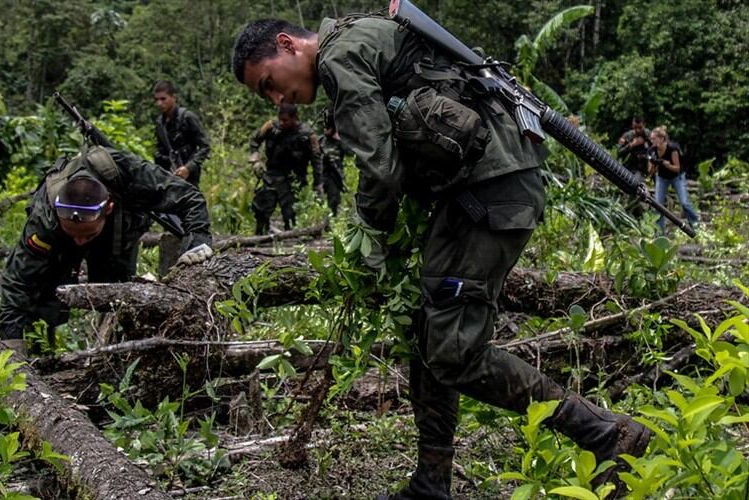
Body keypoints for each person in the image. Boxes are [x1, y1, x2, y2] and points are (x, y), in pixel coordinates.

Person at [233, 16, 650, 499]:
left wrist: (370, 229)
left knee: (454, 351)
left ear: (287, 44)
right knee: (427, 332)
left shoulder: (339, 56)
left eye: (269, 83)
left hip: (490, 192)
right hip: (478, 190)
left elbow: (380, 166)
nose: (277, 99)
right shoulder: (362, 36)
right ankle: (432, 482)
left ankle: (606, 433)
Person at [0, 145, 214, 352]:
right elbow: (17, 281)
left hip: (118, 233)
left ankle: (118, 348)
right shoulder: (44, 220)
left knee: (117, 290)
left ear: (108, 208)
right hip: (59, 241)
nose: (81, 241)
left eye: (87, 235)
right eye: (75, 234)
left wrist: (196, 243)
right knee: (45, 294)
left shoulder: (127, 172)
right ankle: (42, 350)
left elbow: (189, 198)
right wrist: (12, 345)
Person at [152, 80, 212, 274]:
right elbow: (159, 150)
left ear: (173, 98)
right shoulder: (160, 123)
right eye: (156, 100)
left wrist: (189, 167)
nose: (160, 103)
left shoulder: (187, 118)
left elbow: (204, 146)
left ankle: (193, 256)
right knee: (169, 218)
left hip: (189, 176)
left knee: (190, 214)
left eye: (163, 99)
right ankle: (172, 263)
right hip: (169, 175)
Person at [248, 103, 323, 234]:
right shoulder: (271, 127)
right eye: (280, 119)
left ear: (295, 118)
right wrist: (255, 159)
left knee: (290, 214)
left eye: (285, 120)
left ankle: (291, 241)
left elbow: (316, 161)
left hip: (294, 179)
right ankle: (261, 235)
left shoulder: (307, 135)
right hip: (272, 175)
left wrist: (318, 184)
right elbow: (255, 140)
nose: (282, 123)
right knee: (261, 208)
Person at [648, 126, 699, 233]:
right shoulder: (651, 151)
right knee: (658, 205)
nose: (652, 141)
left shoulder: (672, 148)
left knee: (684, 203)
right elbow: (650, 172)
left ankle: (695, 223)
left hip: (677, 177)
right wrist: (653, 163)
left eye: (654, 138)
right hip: (662, 178)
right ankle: (659, 232)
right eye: (651, 139)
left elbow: (677, 168)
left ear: (662, 139)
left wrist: (667, 165)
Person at [320, 109, 350, 216]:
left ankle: (332, 219)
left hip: (336, 176)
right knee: (326, 200)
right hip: (324, 176)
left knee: (334, 199)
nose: (325, 130)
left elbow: (350, 153)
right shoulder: (321, 141)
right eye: (324, 128)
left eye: (328, 128)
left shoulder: (339, 142)